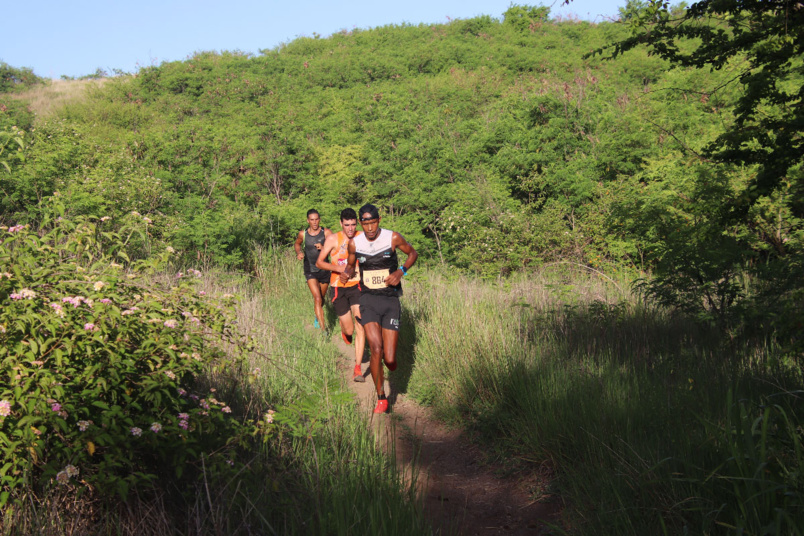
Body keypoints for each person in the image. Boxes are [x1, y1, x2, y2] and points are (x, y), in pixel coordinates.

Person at [342, 204, 417, 413]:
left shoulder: (392, 238)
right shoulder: (354, 244)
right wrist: (346, 273)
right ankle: (381, 397)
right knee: (376, 348)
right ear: (361, 224)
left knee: (390, 358)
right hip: (368, 300)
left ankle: (390, 365)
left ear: (379, 220)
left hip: (390, 300)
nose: (369, 228)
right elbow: (350, 264)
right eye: (365, 224)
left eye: (373, 222)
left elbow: (413, 253)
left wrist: (401, 271)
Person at [315, 208, 367, 382]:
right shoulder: (332, 239)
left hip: (357, 285)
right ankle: (345, 331)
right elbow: (319, 262)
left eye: (353, 224)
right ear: (341, 224)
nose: (351, 229)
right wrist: (339, 268)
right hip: (339, 287)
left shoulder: (362, 237)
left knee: (360, 324)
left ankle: (357, 369)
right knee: (350, 329)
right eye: (347, 225)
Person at [294, 209, 332, 332]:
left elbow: (336, 248)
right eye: (312, 220)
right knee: (317, 298)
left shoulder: (326, 233)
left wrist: (324, 248)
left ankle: (317, 315)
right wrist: (299, 252)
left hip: (324, 270)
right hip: (310, 269)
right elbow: (297, 244)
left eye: (316, 219)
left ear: (319, 220)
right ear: (308, 220)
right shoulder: (303, 234)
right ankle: (323, 330)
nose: (314, 222)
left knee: (322, 298)